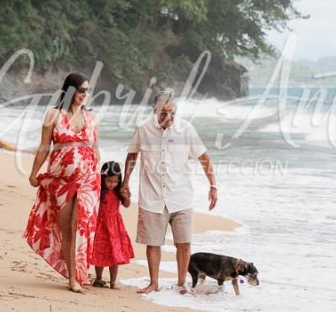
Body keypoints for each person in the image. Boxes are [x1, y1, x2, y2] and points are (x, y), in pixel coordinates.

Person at [122, 90, 218, 294]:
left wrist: (213, 185)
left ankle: (182, 283)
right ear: (154, 110)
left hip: (181, 196)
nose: (169, 117)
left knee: (184, 243)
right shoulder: (143, 129)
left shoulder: (186, 129)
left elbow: (204, 158)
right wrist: (125, 183)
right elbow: (131, 157)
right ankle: (154, 283)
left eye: (172, 111)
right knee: (153, 243)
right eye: (164, 112)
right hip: (152, 196)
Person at [23, 73, 100, 293]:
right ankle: (72, 275)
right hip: (61, 181)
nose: (85, 95)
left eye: (87, 91)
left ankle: (75, 279)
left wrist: (97, 173)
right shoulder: (53, 115)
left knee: (80, 227)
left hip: (88, 181)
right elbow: (44, 147)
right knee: (67, 230)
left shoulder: (92, 118)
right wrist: (33, 173)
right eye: (81, 90)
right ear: (70, 91)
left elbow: (96, 149)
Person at [91, 161, 135, 289]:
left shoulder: (118, 191)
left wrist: (126, 197)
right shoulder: (99, 191)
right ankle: (98, 278)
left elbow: (126, 205)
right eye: (109, 181)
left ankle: (113, 282)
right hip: (100, 226)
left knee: (115, 254)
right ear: (103, 178)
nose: (112, 184)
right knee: (100, 252)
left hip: (115, 227)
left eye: (115, 181)